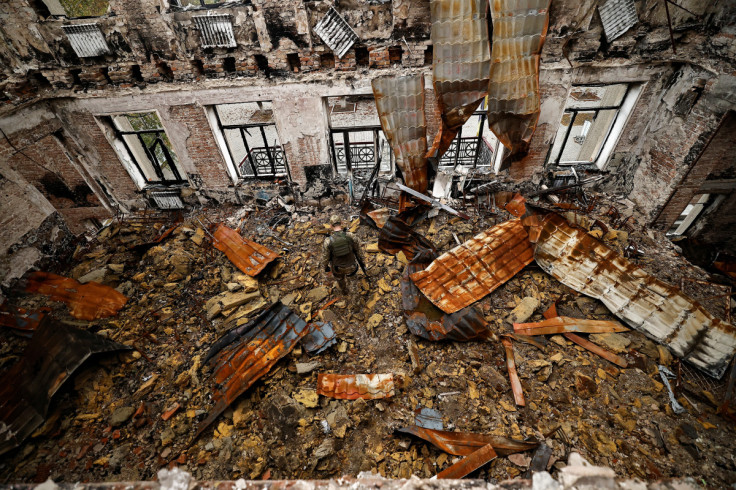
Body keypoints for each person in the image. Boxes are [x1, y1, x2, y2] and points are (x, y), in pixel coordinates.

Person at [321, 215, 365, 294]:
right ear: (341, 223)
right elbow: (358, 250)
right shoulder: (350, 236)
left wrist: (325, 267)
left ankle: (344, 291)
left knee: (340, 280)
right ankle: (355, 298)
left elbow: (325, 257)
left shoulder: (328, 241)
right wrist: (362, 260)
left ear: (331, 226)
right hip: (351, 265)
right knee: (353, 282)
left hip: (337, 268)